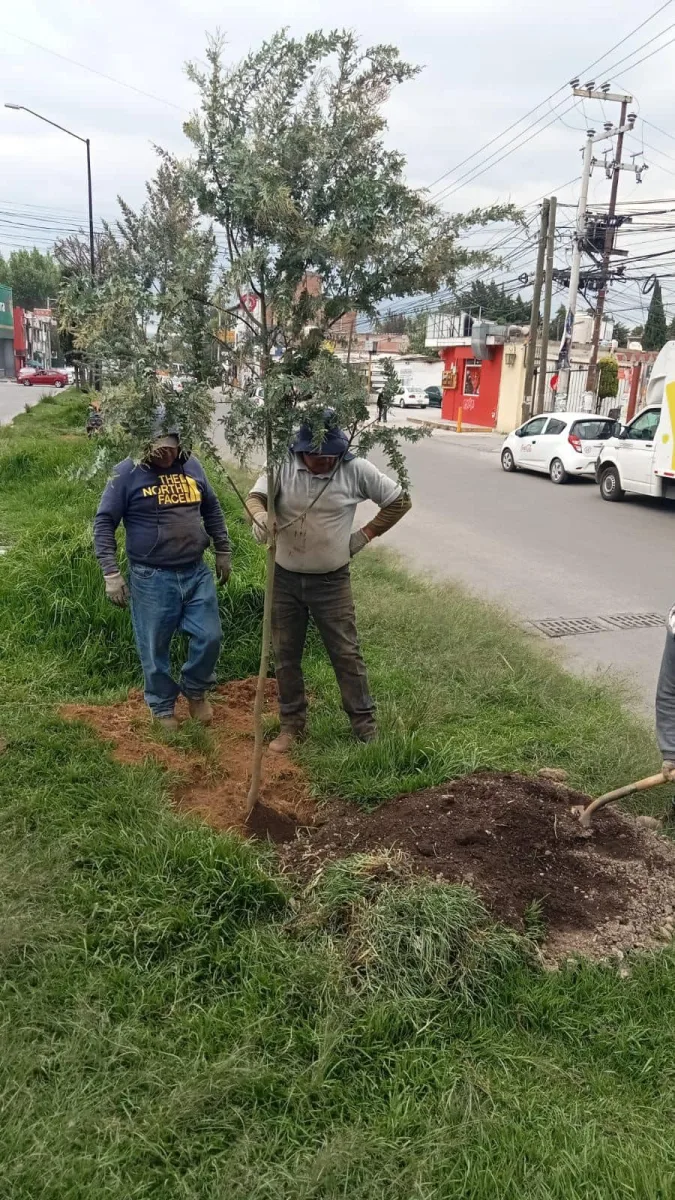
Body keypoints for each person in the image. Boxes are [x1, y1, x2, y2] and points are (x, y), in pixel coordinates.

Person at [246, 414, 411, 752]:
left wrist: (363, 536)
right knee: (285, 654)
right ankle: (292, 726)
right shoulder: (281, 463)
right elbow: (254, 498)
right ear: (299, 449)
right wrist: (262, 517)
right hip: (284, 579)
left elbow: (399, 501)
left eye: (330, 455)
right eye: (316, 454)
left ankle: (365, 727)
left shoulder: (355, 468)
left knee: (346, 653)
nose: (324, 461)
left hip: (332, 582)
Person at [94, 427, 231, 732]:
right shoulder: (127, 472)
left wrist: (222, 548)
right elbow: (104, 521)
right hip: (152, 577)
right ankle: (162, 706)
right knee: (154, 647)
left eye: (169, 448)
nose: (163, 453)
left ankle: (195, 690)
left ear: (180, 444)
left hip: (196, 572)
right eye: (157, 448)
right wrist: (111, 573)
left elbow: (212, 507)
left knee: (210, 637)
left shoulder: (193, 466)